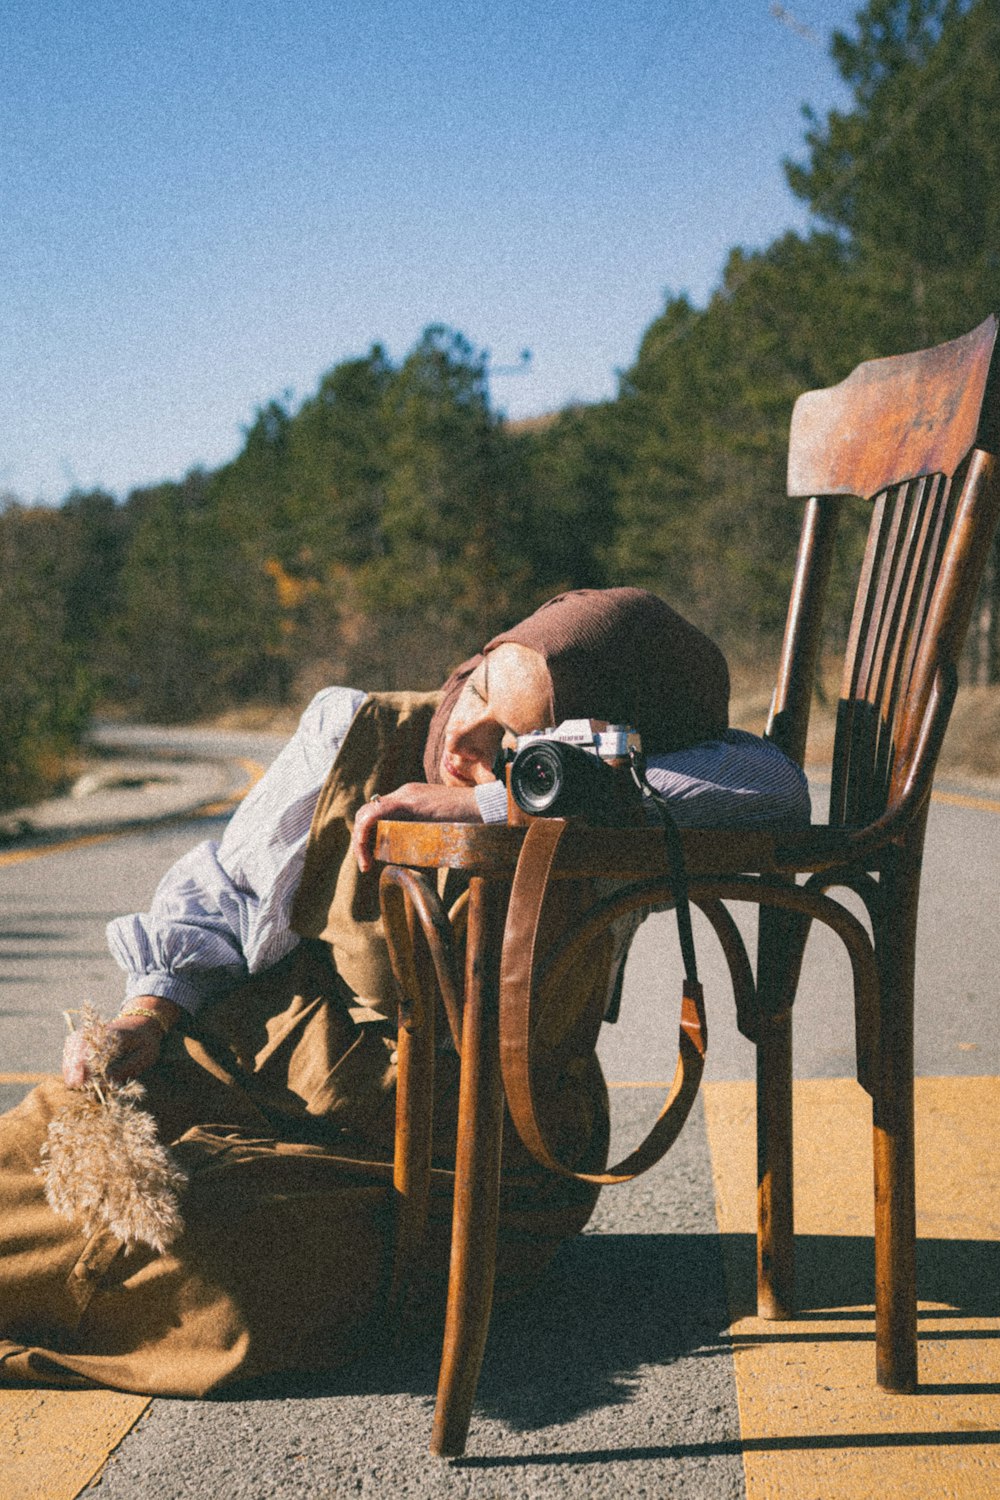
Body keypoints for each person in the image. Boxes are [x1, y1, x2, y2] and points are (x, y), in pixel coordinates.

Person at [0, 588, 809, 1396]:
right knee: (30, 1155)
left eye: (521, 740)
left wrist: (500, 801)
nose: (467, 737)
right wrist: (150, 1011)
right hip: (246, 1075)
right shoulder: (353, 729)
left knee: (217, 1268)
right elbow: (225, 892)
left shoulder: (610, 800)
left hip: (450, 1163)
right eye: (482, 690)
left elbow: (774, 789)